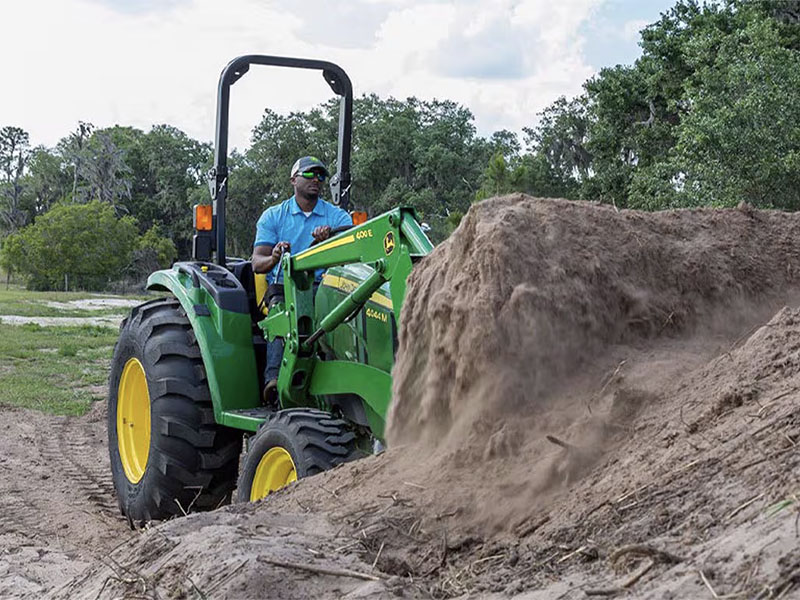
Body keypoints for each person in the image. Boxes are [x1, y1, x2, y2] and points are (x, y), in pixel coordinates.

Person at [252, 155, 352, 405]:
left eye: (320, 176)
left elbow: (351, 253)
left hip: (325, 285)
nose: (316, 180)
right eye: (309, 175)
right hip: (285, 287)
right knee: (286, 312)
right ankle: (274, 382)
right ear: (293, 180)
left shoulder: (337, 217)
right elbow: (257, 263)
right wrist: (275, 256)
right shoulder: (274, 216)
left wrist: (329, 243)